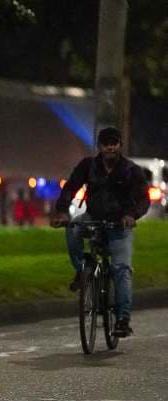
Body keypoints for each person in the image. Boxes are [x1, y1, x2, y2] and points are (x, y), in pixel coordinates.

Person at [50, 127, 149, 338]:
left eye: (114, 142)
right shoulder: (88, 166)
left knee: (122, 269)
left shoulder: (131, 170)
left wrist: (131, 215)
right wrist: (61, 212)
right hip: (93, 218)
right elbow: (70, 188)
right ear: (99, 146)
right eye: (106, 143)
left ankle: (122, 320)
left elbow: (143, 199)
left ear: (120, 145)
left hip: (120, 225)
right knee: (73, 229)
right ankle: (81, 270)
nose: (110, 147)